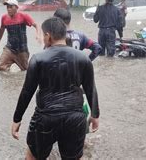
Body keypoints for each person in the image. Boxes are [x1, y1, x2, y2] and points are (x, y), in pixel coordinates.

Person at [11, 17, 100, 160]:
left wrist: (17, 119)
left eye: (43, 35)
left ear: (48, 36)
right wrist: (95, 115)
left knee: (32, 157)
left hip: (45, 117)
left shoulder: (38, 59)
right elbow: (91, 89)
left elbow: (27, 91)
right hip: (75, 118)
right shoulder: (83, 58)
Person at [0, 0, 41, 72]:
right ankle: (10, 81)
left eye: (11, 7)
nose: (9, 9)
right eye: (7, 7)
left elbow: (36, 25)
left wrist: (38, 34)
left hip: (22, 50)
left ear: (16, 7)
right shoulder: (4, 18)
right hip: (9, 48)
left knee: (25, 70)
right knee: (1, 67)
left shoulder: (23, 16)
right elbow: (1, 29)